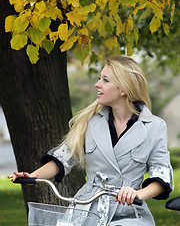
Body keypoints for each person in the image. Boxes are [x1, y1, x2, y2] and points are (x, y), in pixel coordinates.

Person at [8, 55, 173, 225]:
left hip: (127, 212)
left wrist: (137, 194)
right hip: (86, 209)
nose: (97, 84)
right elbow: (62, 160)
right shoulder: (90, 121)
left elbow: (161, 176)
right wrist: (32, 175)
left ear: (123, 88)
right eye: (99, 78)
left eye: (105, 80)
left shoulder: (154, 126)